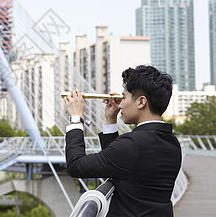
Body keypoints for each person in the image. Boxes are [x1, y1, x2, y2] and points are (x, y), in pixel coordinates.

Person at [65, 65, 182, 217]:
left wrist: (76, 119)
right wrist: (110, 120)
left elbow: (76, 166)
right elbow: (117, 165)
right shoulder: (172, 143)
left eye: (124, 97)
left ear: (141, 102)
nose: (120, 104)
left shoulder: (133, 144)